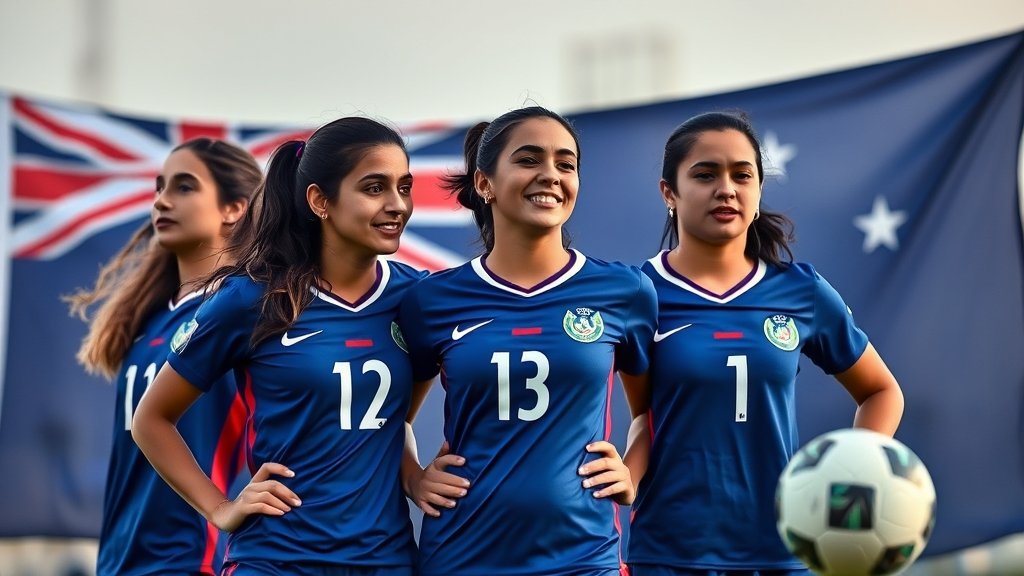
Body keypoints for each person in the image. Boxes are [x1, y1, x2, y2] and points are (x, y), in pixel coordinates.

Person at [131, 117, 422, 576]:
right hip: (276, 560)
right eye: (374, 188)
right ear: (320, 201)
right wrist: (220, 508)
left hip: (387, 561)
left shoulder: (418, 298)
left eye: (404, 187)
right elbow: (151, 419)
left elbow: (395, 422)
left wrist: (415, 476)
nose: (397, 205)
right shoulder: (250, 299)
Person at [625, 111, 905, 575]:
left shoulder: (802, 291)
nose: (726, 189)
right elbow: (641, 419)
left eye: (742, 175)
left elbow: (881, 391)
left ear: (757, 192)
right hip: (670, 552)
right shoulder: (637, 293)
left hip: (783, 550)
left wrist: (850, 473)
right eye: (705, 174)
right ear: (669, 193)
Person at [399, 106, 658, 576]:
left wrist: (631, 473)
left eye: (565, 164)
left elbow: (650, 410)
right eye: (529, 160)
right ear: (485, 183)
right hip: (462, 557)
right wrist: (414, 478)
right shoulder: (433, 298)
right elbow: (390, 418)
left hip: (583, 558)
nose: (550, 175)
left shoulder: (625, 290)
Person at [67, 137, 259, 575]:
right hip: (119, 558)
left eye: (184, 187)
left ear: (234, 208)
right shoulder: (151, 319)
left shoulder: (247, 310)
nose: (162, 201)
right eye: (159, 187)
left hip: (196, 558)